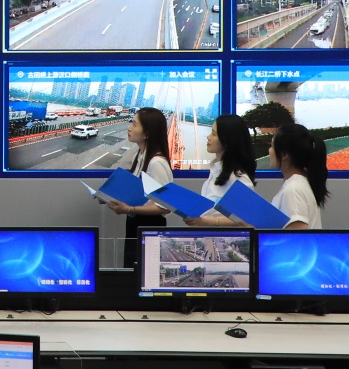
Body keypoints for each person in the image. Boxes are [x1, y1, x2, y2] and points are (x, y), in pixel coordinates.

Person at [101, 108, 175, 257]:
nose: (129, 128)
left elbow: (166, 206)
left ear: (147, 133)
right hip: (135, 223)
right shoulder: (140, 156)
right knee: (132, 266)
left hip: (150, 227)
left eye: (134, 124)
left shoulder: (156, 163)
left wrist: (130, 209)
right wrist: (109, 197)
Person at [188, 114, 258, 227]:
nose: (208, 137)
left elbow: (247, 219)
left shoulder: (238, 178)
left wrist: (208, 222)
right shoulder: (215, 170)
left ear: (227, 140)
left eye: (214, 134)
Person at [270, 124, 329, 230]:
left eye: (272, 146)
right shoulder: (299, 184)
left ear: (284, 154)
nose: (269, 151)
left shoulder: (294, 190)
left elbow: (298, 236)